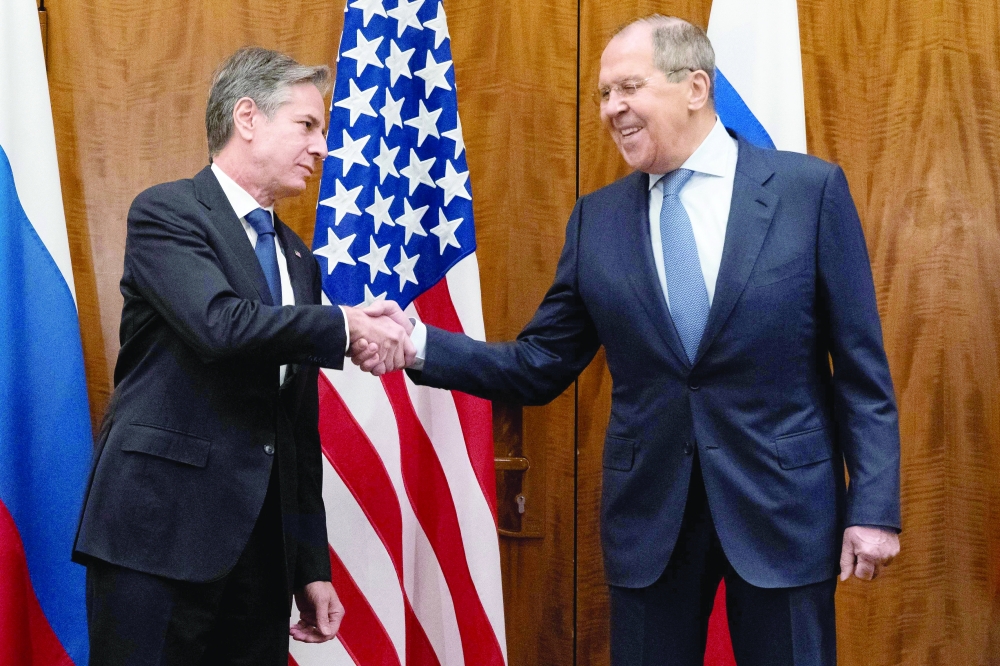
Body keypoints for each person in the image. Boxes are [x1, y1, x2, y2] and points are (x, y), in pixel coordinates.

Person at [358, 15, 901, 666]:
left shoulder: (807, 193)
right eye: (603, 94)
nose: (612, 108)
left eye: (629, 88)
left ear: (695, 87)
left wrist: (872, 507)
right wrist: (419, 345)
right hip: (653, 524)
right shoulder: (599, 220)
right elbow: (539, 365)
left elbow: (862, 370)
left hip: (783, 513)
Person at [73, 47, 413, 665]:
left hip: (260, 555)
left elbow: (296, 426)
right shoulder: (168, 212)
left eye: (324, 130)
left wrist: (310, 562)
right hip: (157, 539)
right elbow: (219, 325)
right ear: (248, 117)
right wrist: (342, 324)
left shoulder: (298, 257)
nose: (321, 146)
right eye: (307, 126)